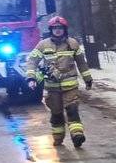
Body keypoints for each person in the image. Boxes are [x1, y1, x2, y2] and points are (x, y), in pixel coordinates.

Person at [26, 16, 93, 147]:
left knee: (72, 110)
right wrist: (31, 77)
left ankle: (77, 136)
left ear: (64, 29)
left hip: (70, 86)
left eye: (60, 28)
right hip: (52, 88)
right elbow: (32, 61)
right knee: (56, 114)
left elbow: (82, 63)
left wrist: (88, 79)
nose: (58, 30)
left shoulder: (72, 44)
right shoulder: (43, 45)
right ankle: (58, 138)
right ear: (51, 30)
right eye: (55, 28)